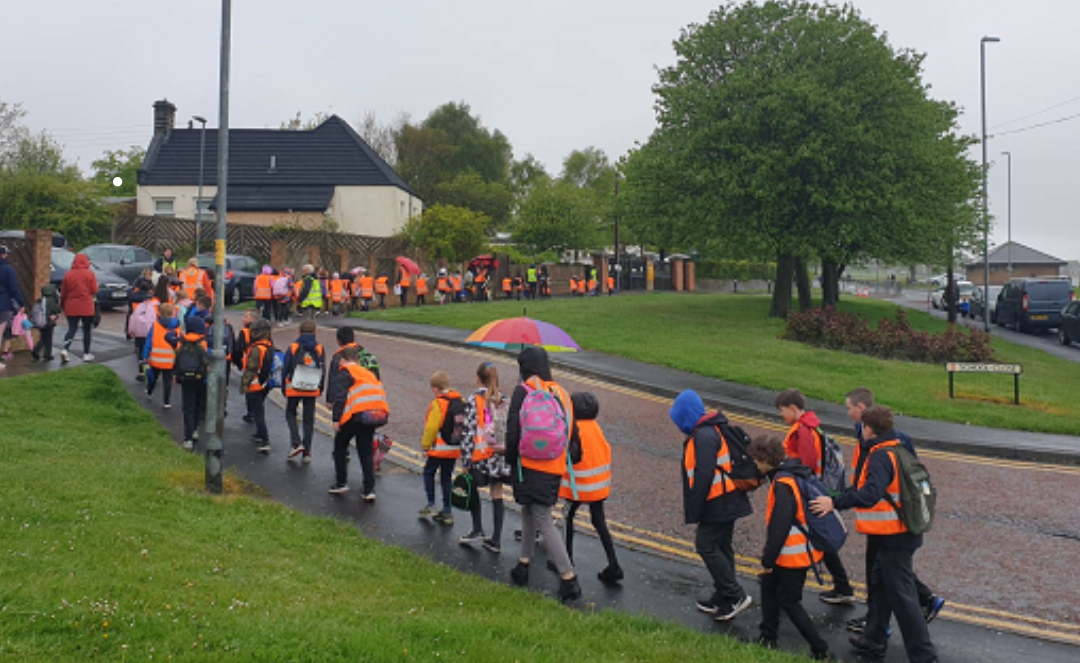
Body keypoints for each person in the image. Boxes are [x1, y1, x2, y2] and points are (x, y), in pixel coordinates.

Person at [811, 406, 938, 663]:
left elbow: (870, 494)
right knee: (879, 585)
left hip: (895, 536)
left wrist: (834, 503)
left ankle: (924, 656)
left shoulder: (880, 456)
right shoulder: (898, 447)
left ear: (869, 429)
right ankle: (874, 638)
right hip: (894, 534)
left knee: (903, 598)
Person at [844, 387, 944, 634]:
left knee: (885, 574)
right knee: (887, 571)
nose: (847, 413)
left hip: (887, 521)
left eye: (848, 408)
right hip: (888, 520)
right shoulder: (889, 437)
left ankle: (883, 625)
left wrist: (843, 498)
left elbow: (874, 487)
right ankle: (879, 625)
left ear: (861, 410)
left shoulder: (877, 443)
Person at [505, 347, 583, 602]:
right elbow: (572, 434)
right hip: (554, 465)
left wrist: (509, 461)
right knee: (529, 511)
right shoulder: (562, 393)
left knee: (542, 518)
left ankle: (568, 577)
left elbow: (513, 432)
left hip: (528, 464)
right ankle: (523, 564)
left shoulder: (524, 390)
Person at [670, 388, 755, 621]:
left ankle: (735, 594)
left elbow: (704, 474)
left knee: (706, 545)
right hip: (728, 499)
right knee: (722, 546)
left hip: (718, 501)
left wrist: (695, 509)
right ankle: (724, 595)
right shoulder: (711, 429)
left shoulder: (703, 436)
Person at [748, 434, 832, 661]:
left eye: (756, 459)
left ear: (766, 459)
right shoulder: (793, 473)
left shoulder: (783, 484)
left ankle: (820, 648)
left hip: (792, 555)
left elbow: (780, 526)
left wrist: (768, 559)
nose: (755, 464)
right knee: (768, 586)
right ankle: (768, 638)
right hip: (798, 551)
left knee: (790, 602)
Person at [775, 388, 855, 604]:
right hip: (815, 489)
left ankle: (840, 586)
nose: (781, 416)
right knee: (820, 538)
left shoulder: (802, 431)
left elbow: (806, 465)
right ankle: (842, 586)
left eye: (782, 411)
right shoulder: (811, 427)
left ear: (793, 408)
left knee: (815, 537)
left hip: (806, 492)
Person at [559, 391, 623, 584]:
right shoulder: (596, 428)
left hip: (577, 486)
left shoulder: (573, 428)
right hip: (599, 487)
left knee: (567, 518)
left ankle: (565, 561)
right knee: (599, 521)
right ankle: (614, 564)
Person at [458, 362, 511, 551]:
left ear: (478, 378)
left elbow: (469, 431)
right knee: (497, 493)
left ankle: (477, 529)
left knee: (473, 489)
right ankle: (496, 540)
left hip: (480, 455)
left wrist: (465, 460)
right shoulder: (504, 399)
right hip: (499, 456)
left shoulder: (474, 399)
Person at [329, 345, 387, 499]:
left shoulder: (345, 372)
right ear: (357, 359)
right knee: (365, 451)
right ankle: (369, 490)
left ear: (343, 359)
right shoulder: (367, 373)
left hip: (354, 416)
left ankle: (341, 483)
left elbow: (340, 398)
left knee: (340, 446)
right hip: (372, 416)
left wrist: (336, 419)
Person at [418, 371, 464, 525]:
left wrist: (425, 446)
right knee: (446, 478)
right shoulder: (460, 400)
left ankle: (431, 504)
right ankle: (447, 511)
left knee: (428, 472)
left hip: (439, 448)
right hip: (453, 448)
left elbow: (432, 428)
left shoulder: (438, 403)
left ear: (435, 389)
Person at [282, 320, 325, 463]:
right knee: (308, 420)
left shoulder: (293, 347)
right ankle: (307, 452)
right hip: (312, 387)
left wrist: (283, 387)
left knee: (290, 413)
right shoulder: (319, 348)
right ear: (315, 332)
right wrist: (320, 388)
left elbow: (286, 368)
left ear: (299, 332)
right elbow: (322, 369)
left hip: (294, 386)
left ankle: (296, 442)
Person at [240, 319, 274, 452]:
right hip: (265, 383)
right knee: (259, 410)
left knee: (258, 413)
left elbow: (251, 368)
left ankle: (265, 439)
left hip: (255, 384)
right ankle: (259, 434)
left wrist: (245, 384)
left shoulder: (256, 349)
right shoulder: (269, 346)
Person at [177, 315, 210, 450]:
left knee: (188, 407)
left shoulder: (181, 342)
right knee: (198, 404)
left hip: (185, 378)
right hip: (200, 378)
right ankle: (195, 429)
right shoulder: (204, 342)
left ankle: (188, 437)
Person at [59, 252, 98, 363]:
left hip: (71, 306)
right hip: (86, 306)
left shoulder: (68, 274)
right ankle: (86, 353)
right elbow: (94, 290)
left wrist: (62, 305)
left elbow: (63, 293)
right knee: (86, 330)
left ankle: (65, 350)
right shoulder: (90, 274)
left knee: (71, 329)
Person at [142, 302, 180, 409]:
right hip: (170, 360)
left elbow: (149, 342)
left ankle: (149, 392)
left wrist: (145, 355)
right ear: (172, 313)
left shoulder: (155, 326)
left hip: (156, 359)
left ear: (160, 313)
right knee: (168, 381)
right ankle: (166, 401)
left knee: (153, 378)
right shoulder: (177, 326)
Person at [0, 244, 27, 370]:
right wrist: (21, 303)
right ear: (3, 255)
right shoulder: (7, 269)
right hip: (3, 305)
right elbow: (13, 289)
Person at [30, 283, 61, 362]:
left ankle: (43, 353)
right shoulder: (51, 301)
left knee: (44, 337)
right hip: (48, 322)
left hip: (40, 321)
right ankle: (43, 353)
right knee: (47, 339)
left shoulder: (41, 300)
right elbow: (58, 310)